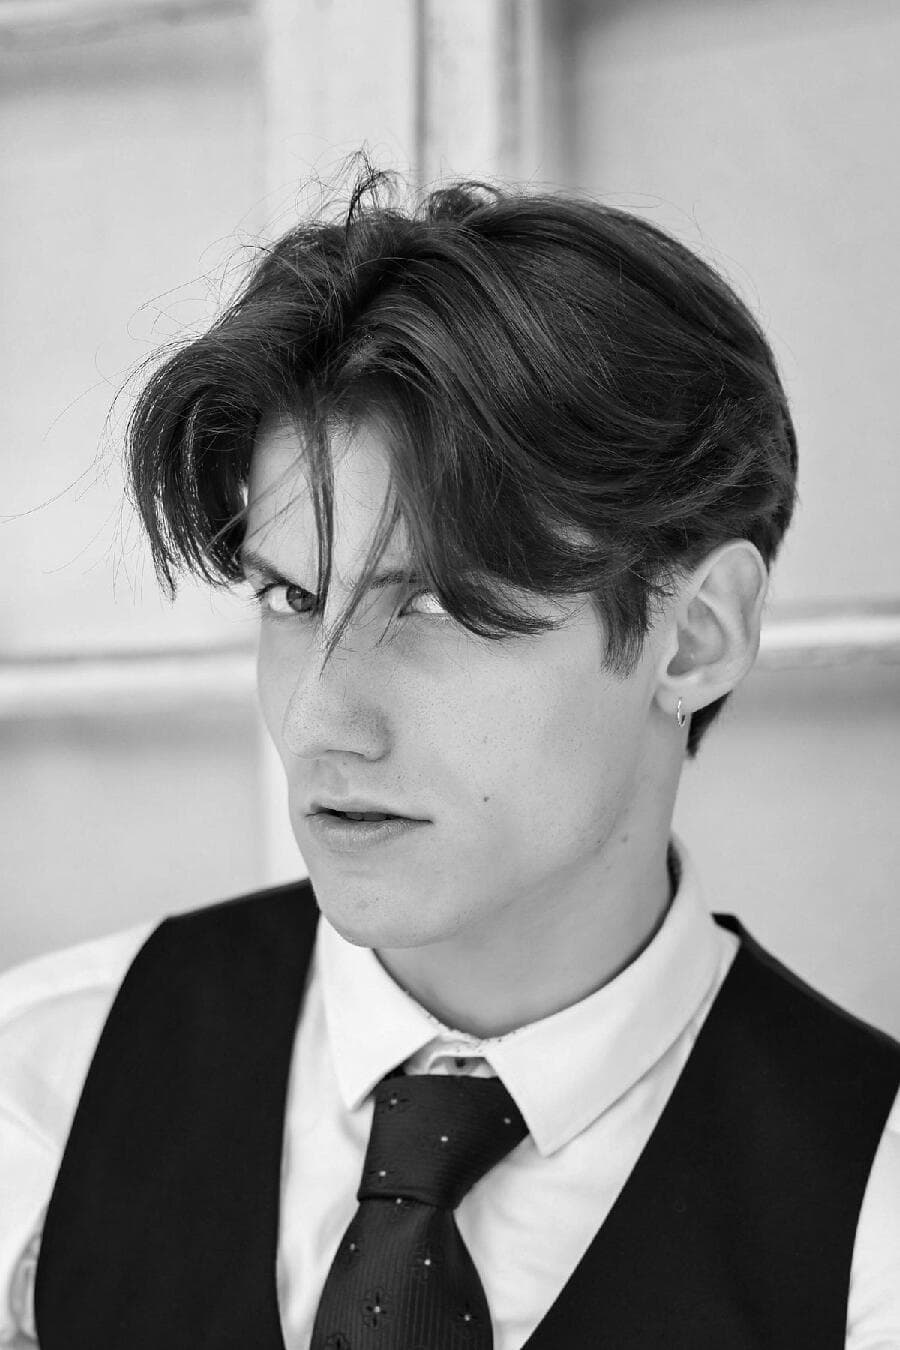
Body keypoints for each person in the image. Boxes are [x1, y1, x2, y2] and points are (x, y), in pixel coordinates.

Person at [1, 162, 898, 1349]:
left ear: (694, 635)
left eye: (430, 606)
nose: (320, 720)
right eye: (289, 598)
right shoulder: (42, 1088)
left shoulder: (874, 1207)